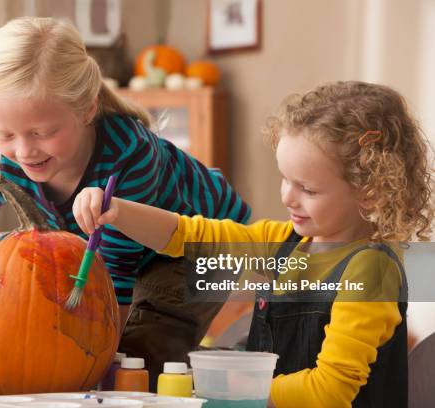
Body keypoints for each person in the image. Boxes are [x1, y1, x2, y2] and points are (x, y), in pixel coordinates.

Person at [0, 16, 250, 388]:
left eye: (42, 133)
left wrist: (90, 359)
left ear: (86, 109)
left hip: (197, 243)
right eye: (5, 134)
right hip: (129, 253)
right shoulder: (10, 157)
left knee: (138, 355)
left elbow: (116, 270)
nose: (24, 150)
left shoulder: (129, 154)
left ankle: (232, 371)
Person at [73, 81, 435, 407]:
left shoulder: (371, 269)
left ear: (370, 194)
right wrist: (116, 210)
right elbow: (188, 235)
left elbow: (330, 391)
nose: (288, 197)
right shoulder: (283, 243)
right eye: (285, 179)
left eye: (307, 189)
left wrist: (237, 386)